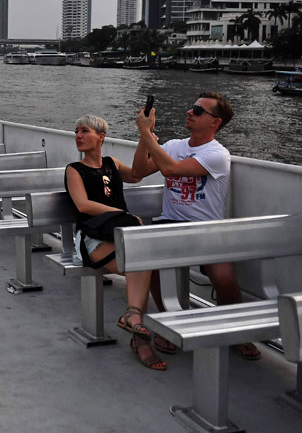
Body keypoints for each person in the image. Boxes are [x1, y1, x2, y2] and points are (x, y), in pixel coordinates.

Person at [132, 92, 262, 360]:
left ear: (215, 122)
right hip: (170, 223)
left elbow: (171, 170)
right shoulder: (172, 146)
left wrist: (146, 132)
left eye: (198, 111)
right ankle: (169, 324)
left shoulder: (217, 154)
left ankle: (235, 331)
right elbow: (138, 172)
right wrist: (145, 136)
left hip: (206, 228)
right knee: (153, 263)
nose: (190, 112)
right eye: (192, 108)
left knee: (224, 278)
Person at [65, 115, 166, 371]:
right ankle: (144, 334)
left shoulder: (111, 164)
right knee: (140, 264)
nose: (78, 135)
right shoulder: (74, 170)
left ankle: (136, 321)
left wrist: (145, 135)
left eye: (84, 131)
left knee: (140, 262)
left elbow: (136, 174)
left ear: (101, 137)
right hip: (91, 239)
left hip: (121, 236)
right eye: (76, 131)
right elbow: (83, 205)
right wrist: (124, 216)